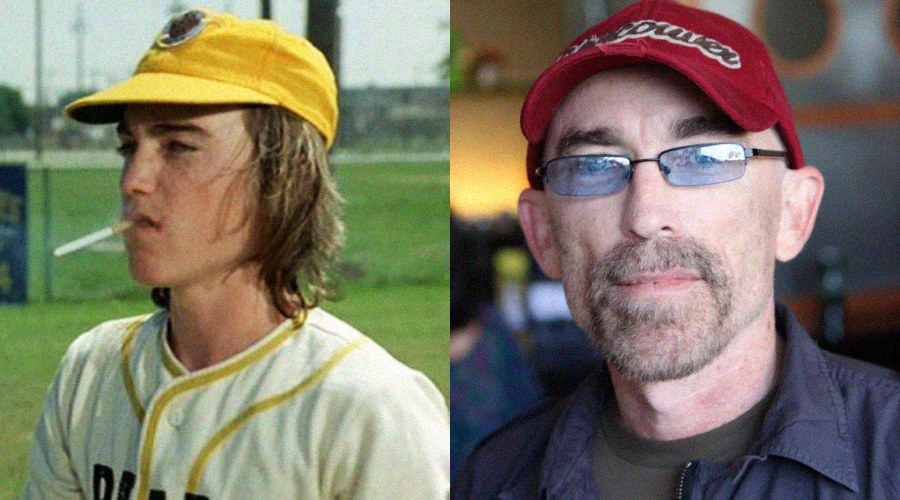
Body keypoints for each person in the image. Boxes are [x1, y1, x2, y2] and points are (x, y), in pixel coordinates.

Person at [452, 0, 900, 498]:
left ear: (793, 214)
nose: (645, 218)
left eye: (706, 158)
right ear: (542, 234)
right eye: (595, 166)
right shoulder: (489, 480)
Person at [25, 9, 448, 500]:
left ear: (287, 177)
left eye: (179, 146)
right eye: (128, 147)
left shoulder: (368, 410)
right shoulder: (89, 373)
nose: (133, 180)